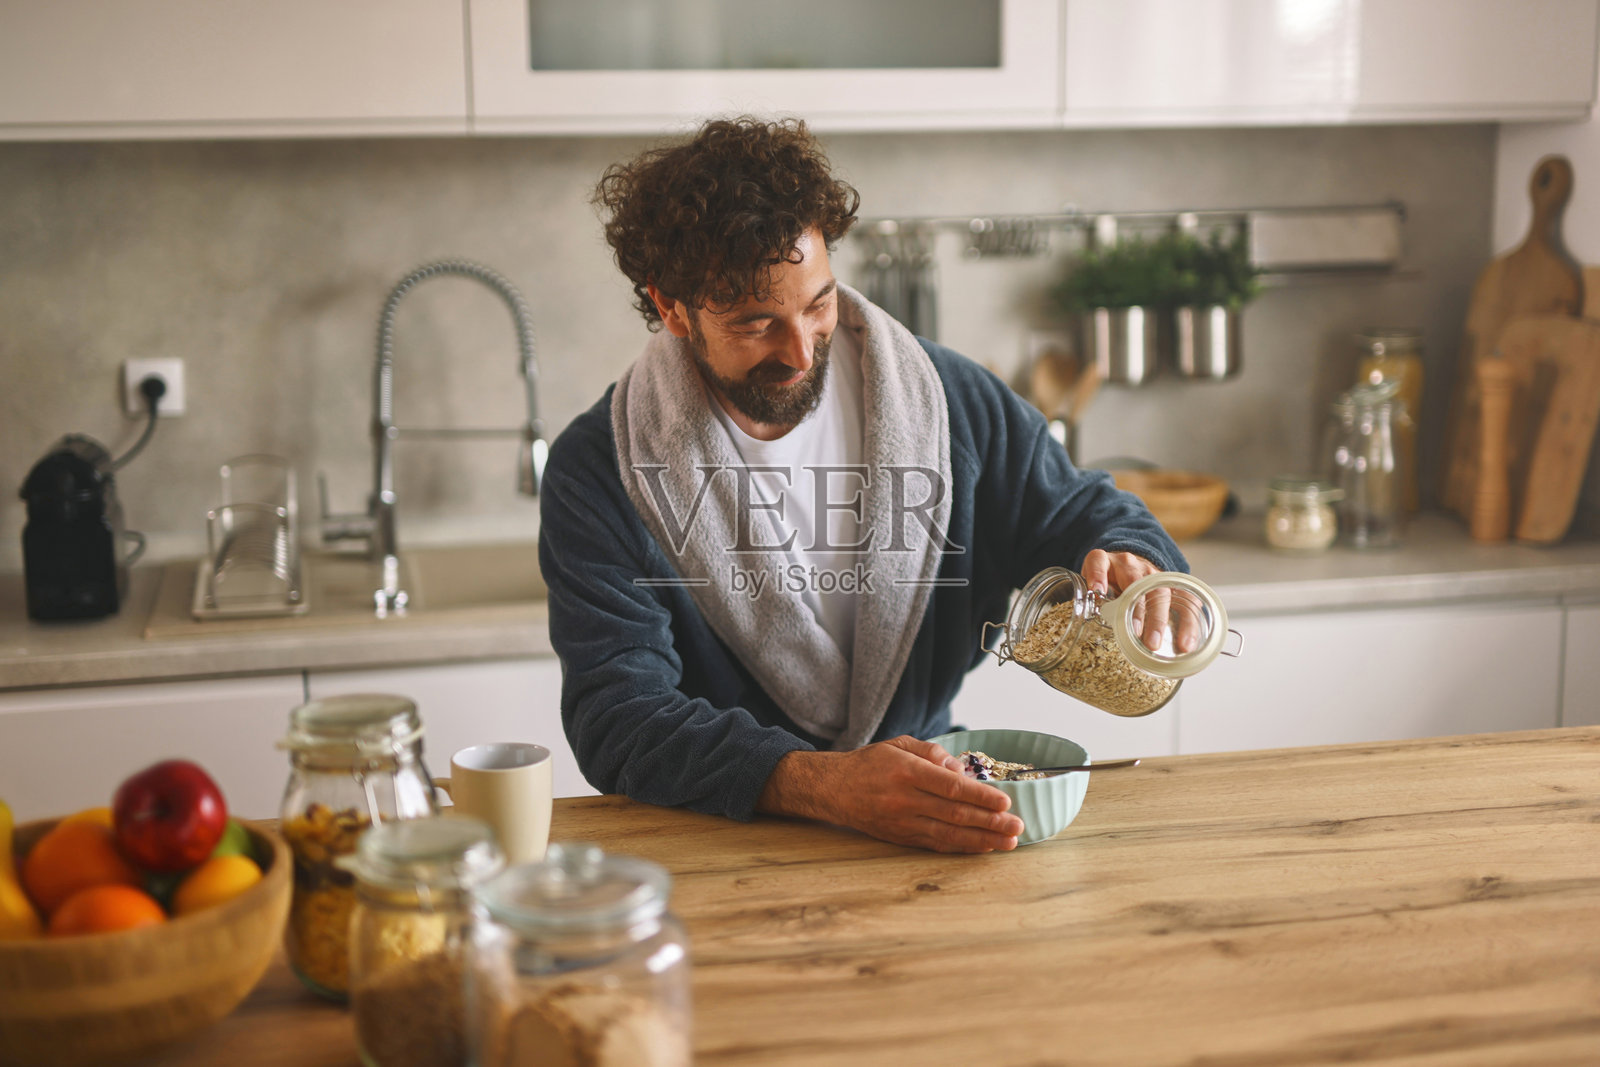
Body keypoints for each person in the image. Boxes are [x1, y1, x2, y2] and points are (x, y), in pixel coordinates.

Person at [539, 117, 1185, 854]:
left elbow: (1080, 510)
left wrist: (1136, 560)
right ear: (672, 306)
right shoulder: (602, 470)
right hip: (725, 846)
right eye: (755, 323)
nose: (799, 349)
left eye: (817, 304)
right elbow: (618, 717)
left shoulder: (944, 402)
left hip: (935, 816)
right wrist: (818, 782)